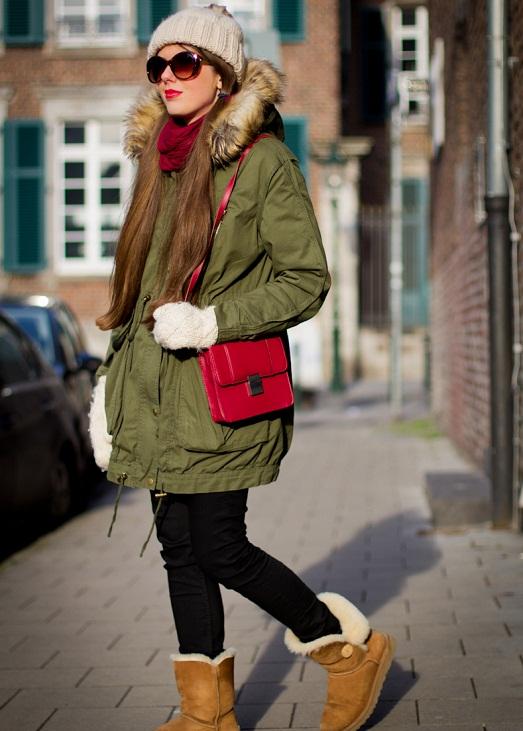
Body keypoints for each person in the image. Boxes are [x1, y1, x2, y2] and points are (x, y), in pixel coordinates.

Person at [89, 5, 395, 730]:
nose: (167, 76)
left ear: (223, 76)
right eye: (158, 64)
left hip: (219, 393)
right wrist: (108, 389)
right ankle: (207, 714)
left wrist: (212, 321)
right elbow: (137, 292)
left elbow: (305, 280)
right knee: (178, 550)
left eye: (184, 62)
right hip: (152, 394)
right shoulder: (157, 163)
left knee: (220, 547)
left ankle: (348, 649)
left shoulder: (263, 164)